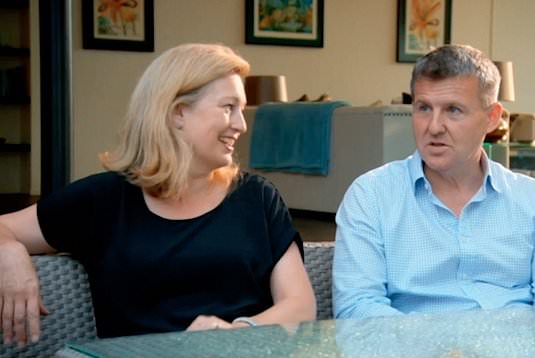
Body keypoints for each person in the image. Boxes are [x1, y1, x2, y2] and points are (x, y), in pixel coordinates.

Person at [0, 43, 316, 346]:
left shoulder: (257, 197)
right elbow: (5, 228)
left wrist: (236, 331)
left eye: (241, 110)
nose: (241, 125)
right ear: (178, 112)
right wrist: (9, 255)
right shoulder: (104, 199)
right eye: (228, 108)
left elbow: (300, 306)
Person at [332, 44, 535, 319]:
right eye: (423, 108)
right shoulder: (371, 195)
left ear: (492, 118)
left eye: (453, 110)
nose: (433, 127)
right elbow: (357, 308)